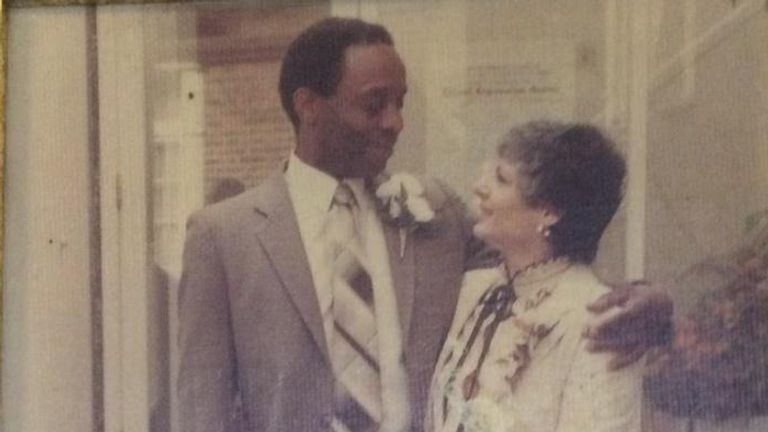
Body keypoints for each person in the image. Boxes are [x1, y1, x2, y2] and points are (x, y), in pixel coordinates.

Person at [177, 17, 671, 432]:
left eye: (401, 102)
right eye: (374, 104)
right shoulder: (225, 236)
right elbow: (202, 407)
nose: (395, 122)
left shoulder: (438, 214)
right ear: (309, 106)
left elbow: (541, 273)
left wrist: (647, 302)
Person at [428, 121, 642, 432]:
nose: (479, 187)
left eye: (501, 179)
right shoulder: (472, 289)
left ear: (548, 212)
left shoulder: (597, 317)